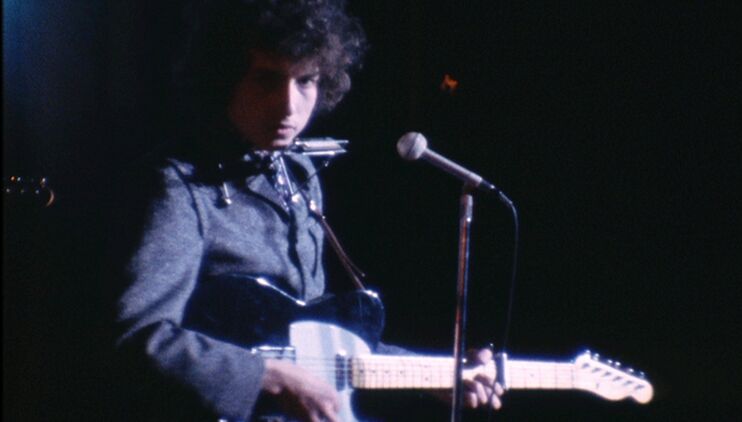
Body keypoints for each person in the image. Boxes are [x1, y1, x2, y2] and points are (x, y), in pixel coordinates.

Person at [110, 1, 502, 421]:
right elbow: (137, 339)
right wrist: (264, 377)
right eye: (267, 79)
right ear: (224, 78)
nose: (288, 107)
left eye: (306, 81)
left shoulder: (299, 174)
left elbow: (317, 340)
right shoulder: (179, 187)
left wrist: (436, 373)